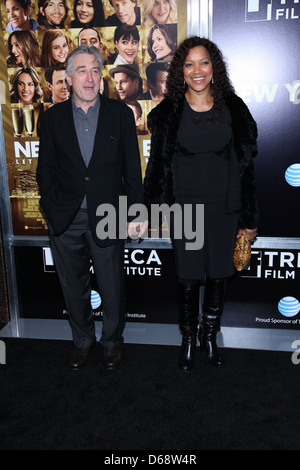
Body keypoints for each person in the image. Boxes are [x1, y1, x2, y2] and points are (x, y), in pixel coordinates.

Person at [144, 36, 259, 371]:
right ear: (181, 70)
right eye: (189, 63)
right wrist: (151, 209)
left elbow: (246, 166)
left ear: (214, 67)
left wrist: (249, 216)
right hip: (185, 210)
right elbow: (157, 167)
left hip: (225, 207)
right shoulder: (168, 113)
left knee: (220, 275)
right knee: (189, 276)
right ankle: (187, 338)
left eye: (204, 62)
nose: (197, 70)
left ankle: (210, 335)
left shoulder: (233, 108)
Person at [36, 45, 146, 371]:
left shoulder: (121, 115)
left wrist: (136, 212)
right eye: (82, 70)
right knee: (73, 287)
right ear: (68, 78)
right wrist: (50, 205)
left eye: (95, 70)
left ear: (102, 78)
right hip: (66, 217)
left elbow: (132, 170)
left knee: (112, 285)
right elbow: (45, 169)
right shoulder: (52, 119)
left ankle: (112, 342)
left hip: (108, 215)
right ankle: (82, 341)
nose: (89, 77)